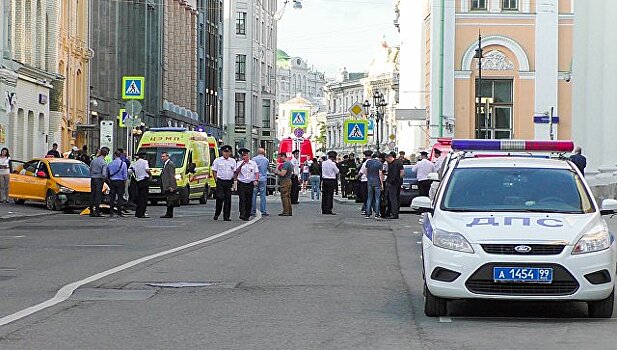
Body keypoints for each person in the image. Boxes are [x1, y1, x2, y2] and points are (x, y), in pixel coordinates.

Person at [212, 145, 236, 221]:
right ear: (222, 152)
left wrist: (234, 181)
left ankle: (226, 216)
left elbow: (234, 171)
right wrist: (216, 180)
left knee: (228, 199)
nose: (226, 153)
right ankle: (217, 213)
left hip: (228, 182)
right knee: (220, 197)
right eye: (225, 152)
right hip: (220, 181)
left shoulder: (232, 161)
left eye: (228, 152)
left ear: (230, 153)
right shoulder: (217, 160)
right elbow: (214, 171)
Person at [235, 148, 259, 221]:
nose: (244, 157)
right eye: (242, 156)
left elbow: (256, 172)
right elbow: (236, 172)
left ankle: (247, 215)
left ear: (248, 155)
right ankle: (242, 213)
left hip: (250, 183)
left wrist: (256, 180)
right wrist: (241, 165)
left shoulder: (253, 163)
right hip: (242, 183)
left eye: (245, 155)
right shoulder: (239, 163)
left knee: (249, 200)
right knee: (242, 199)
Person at [363, 152, 384, 219]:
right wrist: (382, 183)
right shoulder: (379, 163)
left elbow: (365, 171)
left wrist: (368, 177)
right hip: (377, 182)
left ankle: (367, 214)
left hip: (370, 182)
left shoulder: (368, 162)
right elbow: (380, 174)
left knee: (369, 198)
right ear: (379, 158)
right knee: (377, 198)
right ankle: (377, 214)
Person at [107, 150, 128, 217]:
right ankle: (119, 212)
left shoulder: (110, 164)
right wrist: (125, 183)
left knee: (112, 198)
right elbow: (125, 176)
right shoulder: (123, 164)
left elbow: (108, 174)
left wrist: (110, 181)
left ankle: (111, 212)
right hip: (120, 182)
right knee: (120, 197)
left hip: (112, 181)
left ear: (114, 155)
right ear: (120, 155)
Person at [89, 147, 109, 217]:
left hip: (93, 179)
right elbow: (104, 174)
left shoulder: (94, 161)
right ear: (106, 154)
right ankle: (97, 211)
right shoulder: (103, 162)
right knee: (98, 195)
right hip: (99, 179)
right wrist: (104, 179)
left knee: (92, 195)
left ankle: (91, 211)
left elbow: (90, 169)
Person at [131, 152, 151, 218]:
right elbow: (147, 170)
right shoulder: (145, 162)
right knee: (144, 198)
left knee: (139, 197)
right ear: (144, 156)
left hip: (138, 181)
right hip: (144, 180)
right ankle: (142, 213)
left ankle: (138, 213)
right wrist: (150, 174)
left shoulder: (136, 163)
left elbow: (132, 170)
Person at [385, 151, 404, 219]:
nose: (387, 162)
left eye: (387, 160)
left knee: (393, 199)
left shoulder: (393, 164)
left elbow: (393, 174)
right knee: (397, 198)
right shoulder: (399, 162)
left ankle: (394, 214)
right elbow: (402, 172)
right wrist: (400, 180)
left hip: (393, 183)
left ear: (389, 158)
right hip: (398, 183)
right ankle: (396, 212)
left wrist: (389, 182)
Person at [251, 147, 270, 217]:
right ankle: (263, 211)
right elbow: (267, 168)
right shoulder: (266, 160)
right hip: (263, 179)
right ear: (264, 152)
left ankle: (252, 210)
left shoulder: (253, 159)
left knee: (253, 195)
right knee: (263, 195)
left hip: (255, 179)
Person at [160, 151, 178, 218]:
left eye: (163, 156)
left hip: (169, 186)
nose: (162, 158)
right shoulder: (165, 164)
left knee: (170, 200)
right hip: (166, 185)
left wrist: (172, 186)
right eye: (161, 156)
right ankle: (168, 213)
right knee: (168, 200)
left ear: (167, 156)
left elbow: (172, 176)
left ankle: (169, 214)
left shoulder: (170, 164)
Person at [321, 150, 339, 215]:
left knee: (324, 195)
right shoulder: (333, 164)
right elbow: (337, 171)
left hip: (324, 180)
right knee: (330, 195)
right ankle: (329, 209)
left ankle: (323, 209)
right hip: (331, 180)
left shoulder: (323, 163)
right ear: (334, 157)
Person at [276, 152, 293, 216]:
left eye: (280, 157)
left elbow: (283, 174)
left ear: (283, 156)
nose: (280, 159)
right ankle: (289, 211)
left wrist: (278, 171)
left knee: (284, 197)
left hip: (284, 181)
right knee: (288, 197)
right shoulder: (290, 163)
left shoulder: (285, 164)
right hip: (288, 180)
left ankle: (286, 211)